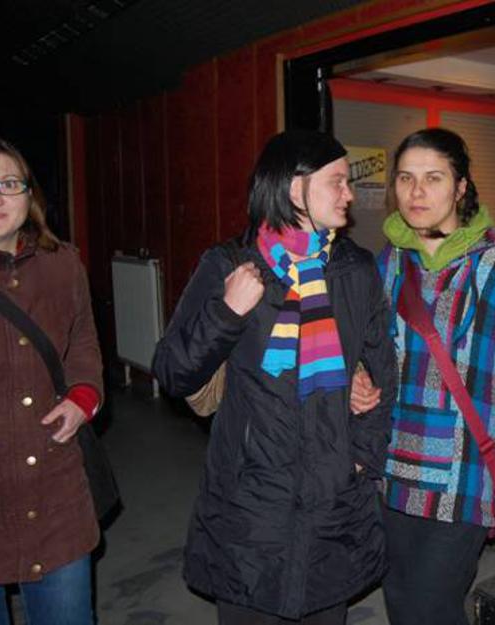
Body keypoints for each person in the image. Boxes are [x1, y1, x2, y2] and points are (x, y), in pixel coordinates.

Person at [152, 130, 397, 624]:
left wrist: (360, 461)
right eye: (337, 181)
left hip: (332, 505)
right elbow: (172, 372)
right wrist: (226, 313)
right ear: (294, 188)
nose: (349, 194)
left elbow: (382, 375)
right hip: (250, 507)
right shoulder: (229, 265)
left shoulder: (356, 270)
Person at [351, 127, 495, 625]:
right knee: (401, 598)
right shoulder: (390, 262)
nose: (417, 192)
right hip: (393, 461)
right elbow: (366, 347)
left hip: (465, 471)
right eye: (406, 178)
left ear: (461, 187)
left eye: (433, 178)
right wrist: (358, 373)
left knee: (431, 606)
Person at [0, 137, 104, 625]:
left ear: (29, 195)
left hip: (54, 487)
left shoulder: (62, 265)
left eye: (7, 184)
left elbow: (84, 345)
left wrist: (83, 398)